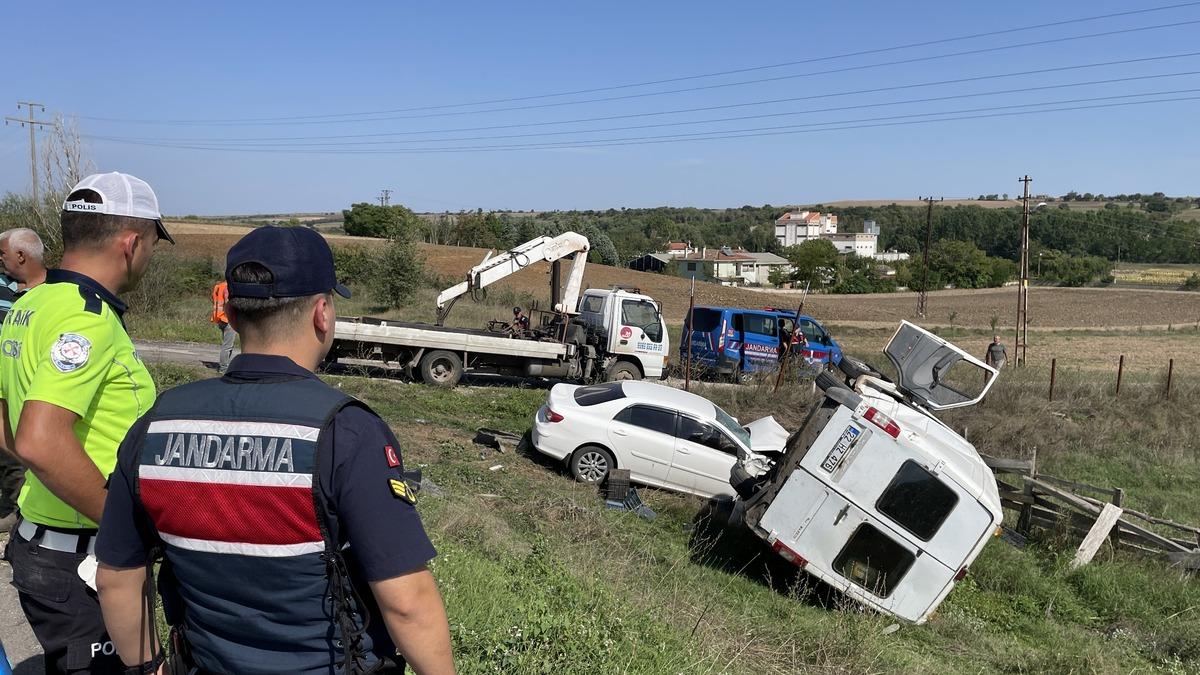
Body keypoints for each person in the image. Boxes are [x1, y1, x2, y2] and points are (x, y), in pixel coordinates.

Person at [95, 226, 455, 675]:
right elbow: (407, 604)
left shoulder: (157, 423)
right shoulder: (348, 432)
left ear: (228, 311)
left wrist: (149, 668)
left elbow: (116, 578)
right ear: (322, 313)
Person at [0, 172, 173, 674]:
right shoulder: (86, 319)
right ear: (131, 242)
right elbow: (37, 440)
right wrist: (127, 526)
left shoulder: (29, 305)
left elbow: (9, 428)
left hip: (42, 541)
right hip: (82, 562)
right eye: (152, 244)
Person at [0, 228, 48, 531]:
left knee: (29, 443)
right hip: (4, 380)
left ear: (20, 255)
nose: (0, 259)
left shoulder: (53, 290)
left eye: (2, 253)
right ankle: (13, 503)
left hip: (33, 382)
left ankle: (24, 507)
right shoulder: (3, 286)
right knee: (5, 446)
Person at [210, 278, 235, 373]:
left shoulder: (218, 287)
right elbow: (229, 303)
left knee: (227, 345)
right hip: (227, 319)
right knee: (228, 346)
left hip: (220, 319)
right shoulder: (227, 288)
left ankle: (225, 365)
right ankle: (224, 368)